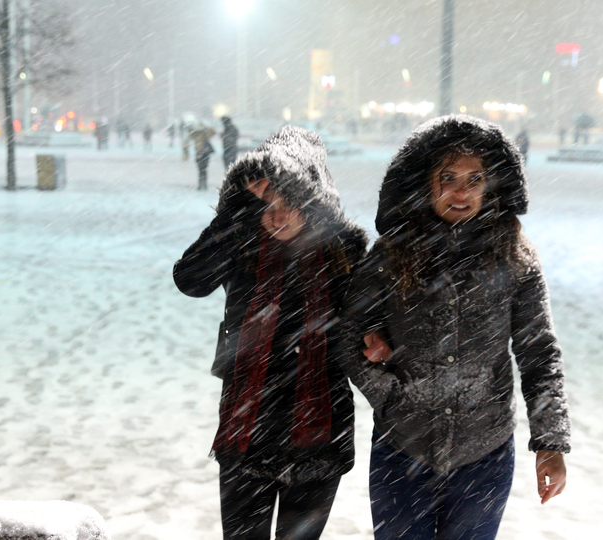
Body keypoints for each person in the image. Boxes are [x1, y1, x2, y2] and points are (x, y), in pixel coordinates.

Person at [341, 115, 571, 540]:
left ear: (491, 186)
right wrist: (389, 394)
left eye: (474, 179)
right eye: (447, 178)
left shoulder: (516, 258)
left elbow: (539, 353)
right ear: (426, 184)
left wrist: (550, 442)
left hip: (484, 454)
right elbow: (348, 332)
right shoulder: (389, 254)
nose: (461, 192)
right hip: (401, 450)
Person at [174, 125, 368, 540]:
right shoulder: (242, 244)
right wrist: (235, 214)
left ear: (313, 202)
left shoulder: (343, 253)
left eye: (290, 202)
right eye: (267, 204)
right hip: (247, 430)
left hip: (319, 434)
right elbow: (190, 279)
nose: (277, 216)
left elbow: (371, 323)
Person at [184, 122, 216, 191]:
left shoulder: (203, 133)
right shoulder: (197, 134)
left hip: (202, 153)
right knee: (202, 169)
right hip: (202, 153)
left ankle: (202, 184)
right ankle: (203, 184)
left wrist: (205, 127)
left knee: (202, 169)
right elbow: (213, 132)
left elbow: (213, 132)